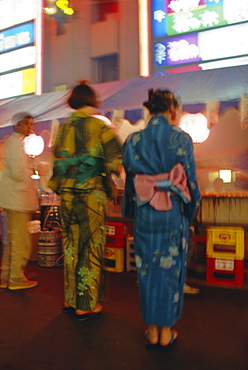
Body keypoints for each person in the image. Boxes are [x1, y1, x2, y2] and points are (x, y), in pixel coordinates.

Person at [122, 89, 201, 348]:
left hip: (145, 214)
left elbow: (131, 185)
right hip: (172, 215)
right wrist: (191, 211)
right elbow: (190, 182)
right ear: (172, 110)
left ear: (150, 110)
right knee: (171, 269)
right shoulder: (182, 138)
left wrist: (130, 212)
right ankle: (166, 332)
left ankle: (152, 330)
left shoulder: (133, 140)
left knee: (146, 271)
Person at [48, 81, 122, 319]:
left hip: (68, 197)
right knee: (90, 247)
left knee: (70, 246)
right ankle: (86, 303)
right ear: (92, 101)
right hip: (91, 196)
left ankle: (71, 299)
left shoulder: (62, 129)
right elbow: (114, 161)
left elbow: (57, 164)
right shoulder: (100, 127)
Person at [0, 112, 38, 290]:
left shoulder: (12, 144)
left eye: (30, 124)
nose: (29, 127)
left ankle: (6, 275)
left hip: (12, 199)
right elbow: (17, 173)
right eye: (26, 124)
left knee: (12, 240)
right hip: (17, 199)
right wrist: (31, 175)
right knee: (20, 241)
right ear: (17, 125)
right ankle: (16, 277)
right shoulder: (15, 144)